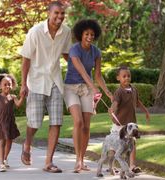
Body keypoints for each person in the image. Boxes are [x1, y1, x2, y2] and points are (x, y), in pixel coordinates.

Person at [19, 1, 72, 173]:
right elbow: (26, 58)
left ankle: (48, 162)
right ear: (49, 13)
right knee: (34, 123)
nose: (60, 17)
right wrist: (22, 85)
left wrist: (80, 65)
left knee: (56, 122)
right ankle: (27, 143)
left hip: (55, 80)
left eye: (62, 14)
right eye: (56, 13)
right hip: (35, 81)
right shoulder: (35, 32)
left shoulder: (66, 32)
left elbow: (66, 53)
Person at [64, 19, 113, 173]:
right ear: (81, 34)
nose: (90, 36)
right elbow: (82, 71)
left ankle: (82, 159)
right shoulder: (74, 50)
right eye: (87, 34)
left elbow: (97, 75)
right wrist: (93, 87)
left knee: (86, 126)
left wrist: (108, 93)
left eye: (92, 34)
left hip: (86, 89)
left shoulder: (96, 52)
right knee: (78, 121)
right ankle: (77, 160)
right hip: (71, 87)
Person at [108, 66, 150, 173]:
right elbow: (115, 104)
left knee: (132, 143)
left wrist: (146, 111)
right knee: (114, 146)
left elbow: (138, 101)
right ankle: (111, 166)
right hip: (119, 124)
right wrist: (112, 110)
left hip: (130, 124)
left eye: (128, 76)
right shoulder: (119, 91)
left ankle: (132, 165)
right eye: (124, 76)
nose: (127, 78)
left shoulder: (134, 90)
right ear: (118, 78)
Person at [0, 73, 24, 172]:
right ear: (0, 86)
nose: (7, 86)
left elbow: (18, 105)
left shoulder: (12, 97)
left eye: (9, 84)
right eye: (5, 84)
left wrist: (22, 96)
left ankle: (4, 159)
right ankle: (1, 164)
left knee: (9, 142)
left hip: (10, 123)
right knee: (1, 142)